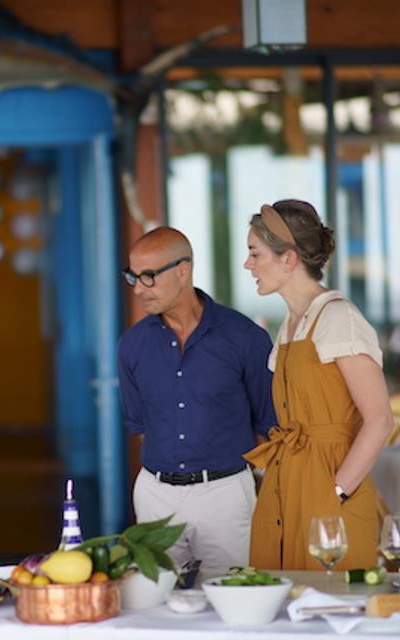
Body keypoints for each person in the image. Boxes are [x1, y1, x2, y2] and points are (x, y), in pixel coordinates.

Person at [242, 199, 393, 570]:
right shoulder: (292, 324)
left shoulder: (339, 317)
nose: (248, 264)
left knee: (332, 606)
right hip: (287, 486)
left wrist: (337, 491)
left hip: (328, 485)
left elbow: (380, 420)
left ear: (288, 259)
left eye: (255, 254)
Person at [117, 227, 276, 576]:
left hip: (225, 494)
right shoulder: (131, 346)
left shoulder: (245, 338)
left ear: (182, 271)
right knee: (156, 603)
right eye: (133, 276)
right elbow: (141, 426)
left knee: (232, 598)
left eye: (148, 277)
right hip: (155, 495)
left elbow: (267, 424)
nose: (138, 289)